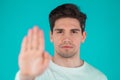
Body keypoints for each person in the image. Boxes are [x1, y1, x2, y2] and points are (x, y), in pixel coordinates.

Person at [15, 3, 107, 80]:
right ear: (51, 36)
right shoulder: (34, 72)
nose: (66, 39)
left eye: (74, 32)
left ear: (83, 36)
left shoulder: (98, 77)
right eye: (60, 31)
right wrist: (26, 76)